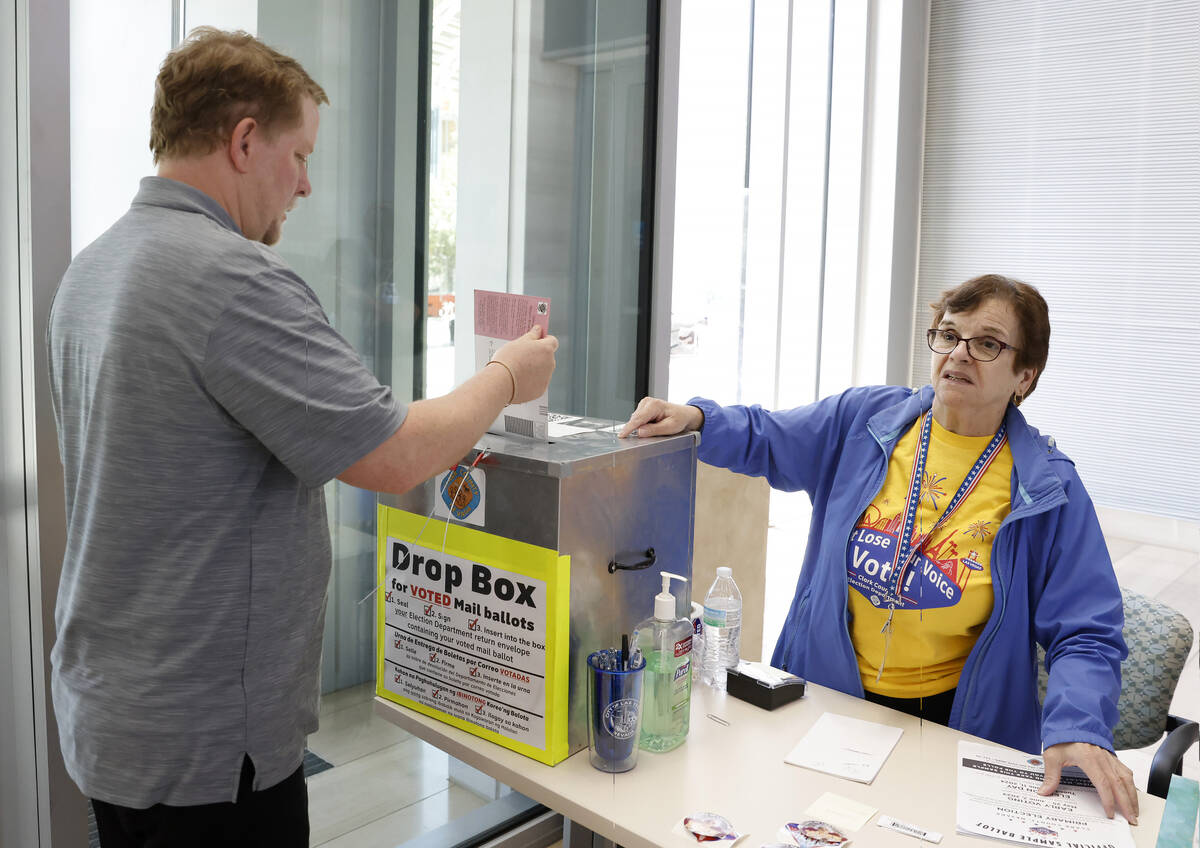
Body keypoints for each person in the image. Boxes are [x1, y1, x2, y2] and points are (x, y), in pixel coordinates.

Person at [47, 28, 557, 847]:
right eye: (299, 156)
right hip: (209, 750)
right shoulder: (230, 277)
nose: (307, 185)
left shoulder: (93, 269)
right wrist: (505, 377)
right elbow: (391, 455)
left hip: (113, 715)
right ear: (245, 139)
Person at [621, 274, 1138, 823]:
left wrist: (1079, 728)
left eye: (987, 344)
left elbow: (1087, 631)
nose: (959, 354)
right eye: (948, 335)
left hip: (952, 726)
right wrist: (698, 420)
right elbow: (770, 436)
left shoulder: (1047, 486)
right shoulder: (865, 422)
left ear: (1024, 376)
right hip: (826, 698)